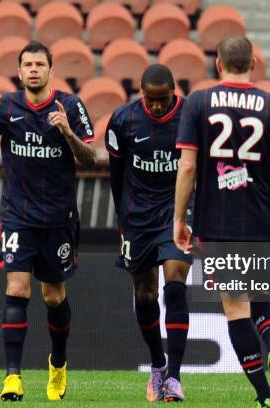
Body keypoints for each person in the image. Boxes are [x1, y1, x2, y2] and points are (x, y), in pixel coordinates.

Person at [173, 35, 270, 408]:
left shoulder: (198, 101)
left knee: (235, 308)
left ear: (218, 64)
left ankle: (264, 395)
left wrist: (180, 218)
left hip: (217, 223)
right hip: (261, 221)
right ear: (254, 65)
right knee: (263, 297)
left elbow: (189, 166)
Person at [0, 41, 96, 402]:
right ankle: (13, 377)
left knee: (54, 296)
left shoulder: (69, 106)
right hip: (18, 216)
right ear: (20, 71)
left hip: (58, 218)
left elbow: (91, 158)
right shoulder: (5, 105)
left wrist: (68, 133)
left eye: (41, 64)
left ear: (51, 70)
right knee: (18, 289)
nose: (34, 70)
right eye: (28, 65)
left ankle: (58, 364)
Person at [105, 64, 191, 402]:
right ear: (141, 92)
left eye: (163, 99)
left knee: (175, 282)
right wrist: (122, 220)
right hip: (137, 217)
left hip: (176, 213)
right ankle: (158, 364)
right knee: (144, 294)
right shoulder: (122, 120)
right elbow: (115, 176)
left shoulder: (190, 116)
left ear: (174, 91)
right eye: (150, 100)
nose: (156, 106)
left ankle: (174, 377)